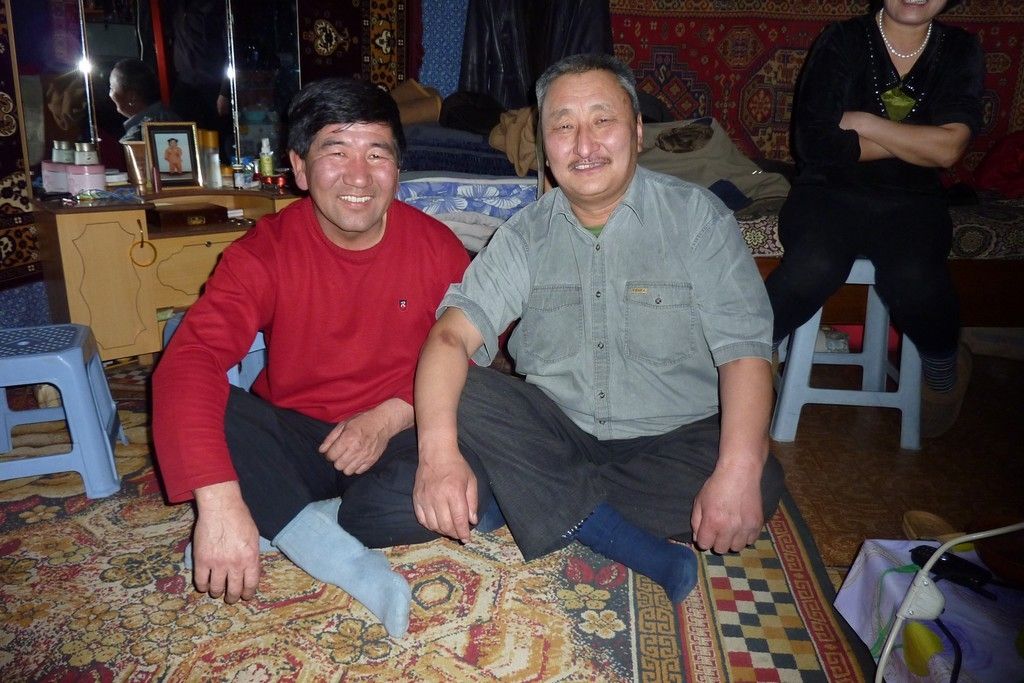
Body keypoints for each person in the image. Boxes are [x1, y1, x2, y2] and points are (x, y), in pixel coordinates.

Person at [410, 53, 785, 605]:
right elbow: (450, 337)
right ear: (545, 144)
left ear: (637, 130)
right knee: (466, 392)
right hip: (559, 431)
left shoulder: (698, 220)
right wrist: (437, 458)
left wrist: (737, 470)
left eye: (602, 120)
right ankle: (617, 536)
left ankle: (528, 499)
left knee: (759, 476)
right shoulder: (525, 234)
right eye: (563, 126)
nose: (584, 145)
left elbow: (746, 352)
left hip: (673, 439)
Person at [151, 77, 472, 638]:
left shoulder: (438, 247)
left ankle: (289, 522)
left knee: (467, 489)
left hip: (398, 432)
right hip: (295, 436)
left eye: (377, 154)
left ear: (398, 168)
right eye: (336, 152)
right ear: (299, 168)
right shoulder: (263, 252)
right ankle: (342, 558)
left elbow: (478, 352)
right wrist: (218, 501)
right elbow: (190, 358)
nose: (358, 176)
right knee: (209, 405)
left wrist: (391, 416)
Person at [763, 0, 983, 438]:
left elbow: (949, 150)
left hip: (913, 200)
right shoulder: (842, 40)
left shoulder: (960, 49)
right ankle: (752, 354)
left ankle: (943, 368)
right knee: (813, 265)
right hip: (826, 191)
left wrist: (864, 122)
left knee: (914, 276)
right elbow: (817, 145)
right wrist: (919, 143)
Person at [108, 59, 180, 143]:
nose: (110, 94)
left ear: (132, 97)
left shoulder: (135, 140)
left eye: (111, 88)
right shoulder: (172, 117)